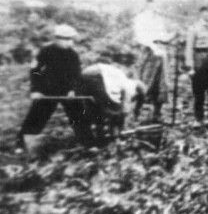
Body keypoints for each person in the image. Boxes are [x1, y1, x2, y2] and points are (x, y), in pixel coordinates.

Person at [15, 24, 90, 153]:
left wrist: (73, 90)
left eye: (71, 39)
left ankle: (88, 143)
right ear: (57, 39)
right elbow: (35, 71)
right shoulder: (45, 51)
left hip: (67, 91)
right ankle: (21, 144)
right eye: (66, 39)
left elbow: (76, 75)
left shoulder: (73, 54)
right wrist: (36, 91)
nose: (70, 42)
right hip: (47, 90)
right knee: (37, 116)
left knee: (79, 114)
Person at [133, 0, 175, 122]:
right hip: (148, 52)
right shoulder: (141, 18)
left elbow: (162, 35)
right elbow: (140, 37)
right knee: (144, 82)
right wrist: (152, 46)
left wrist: (171, 35)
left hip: (161, 52)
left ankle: (157, 112)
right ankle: (137, 111)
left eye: (159, 4)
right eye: (155, 4)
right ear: (149, 4)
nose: (157, 7)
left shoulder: (159, 19)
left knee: (162, 82)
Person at [78, 62, 146, 141]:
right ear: (138, 92)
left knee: (96, 106)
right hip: (98, 74)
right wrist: (120, 126)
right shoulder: (131, 86)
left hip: (85, 73)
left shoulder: (122, 81)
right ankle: (111, 136)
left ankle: (99, 135)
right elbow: (124, 110)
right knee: (114, 109)